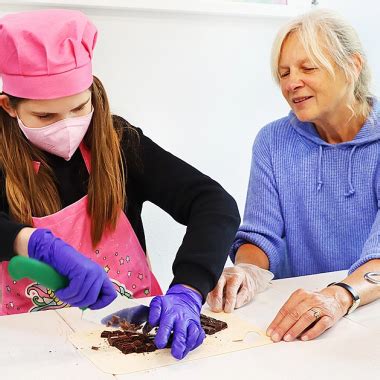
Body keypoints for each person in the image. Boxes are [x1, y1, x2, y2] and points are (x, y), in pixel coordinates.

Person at [0, 9, 240, 360]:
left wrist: (188, 289)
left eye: (80, 108)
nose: (67, 126)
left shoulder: (118, 142)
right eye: (45, 116)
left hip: (129, 332)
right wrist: (33, 243)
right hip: (28, 346)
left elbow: (213, 203)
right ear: (8, 106)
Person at [207, 9, 380, 342]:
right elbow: (261, 236)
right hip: (298, 318)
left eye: (307, 68)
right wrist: (247, 272)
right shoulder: (273, 141)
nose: (291, 83)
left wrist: (340, 294)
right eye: (283, 73)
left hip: (367, 312)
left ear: (352, 66)